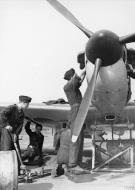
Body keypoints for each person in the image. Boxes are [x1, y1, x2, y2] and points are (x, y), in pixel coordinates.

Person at [63, 67, 86, 170]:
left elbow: (79, 80)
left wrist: (85, 73)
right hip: (76, 111)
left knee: (79, 137)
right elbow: (78, 78)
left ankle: (77, 163)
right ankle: (73, 164)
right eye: (74, 74)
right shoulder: (69, 86)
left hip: (78, 110)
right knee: (76, 138)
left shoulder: (72, 86)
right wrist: (86, 67)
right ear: (71, 77)